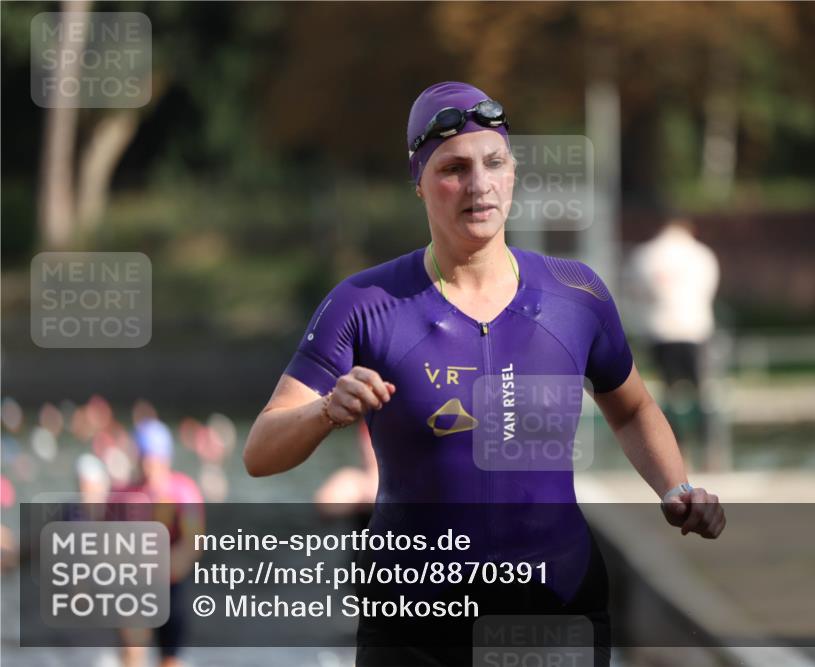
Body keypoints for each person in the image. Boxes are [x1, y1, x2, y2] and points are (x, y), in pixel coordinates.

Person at [243, 81, 725, 666]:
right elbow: (260, 452)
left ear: (513, 172)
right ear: (418, 182)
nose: (479, 185)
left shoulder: (577, 294)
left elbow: (633, 410)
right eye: (453, 168)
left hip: (555, 607)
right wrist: (324, 411)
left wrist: (674, 489)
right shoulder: (364, 303)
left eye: (494, 162)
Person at [115, 418, 204, 667]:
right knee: (132, 654)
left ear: (166, 458)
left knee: (170, 661)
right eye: (144, 458)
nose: (148, 465)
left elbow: (194, 543)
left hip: (171, 586)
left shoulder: (183, 491)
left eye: (153, 459)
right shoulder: (123, 495)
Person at [629, 217, 719, 443]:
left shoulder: (646, 255)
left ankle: (677, 446)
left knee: (668, 392)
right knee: (702, 392)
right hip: (695, 329)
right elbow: (708, 289)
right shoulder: (702, 255)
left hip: (660, 330)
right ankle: (710, 447)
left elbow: (637, 292)